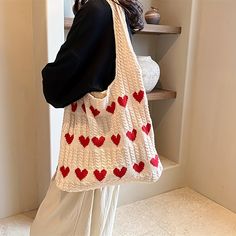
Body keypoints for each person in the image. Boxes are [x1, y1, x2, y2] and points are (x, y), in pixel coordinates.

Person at [30, 0, 144, 235]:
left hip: (90, 145)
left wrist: (48, 73)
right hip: (112, 143)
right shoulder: (119, 12)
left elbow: (57, 86)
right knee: (96, 222)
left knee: (55, 222)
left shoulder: (95, 11)